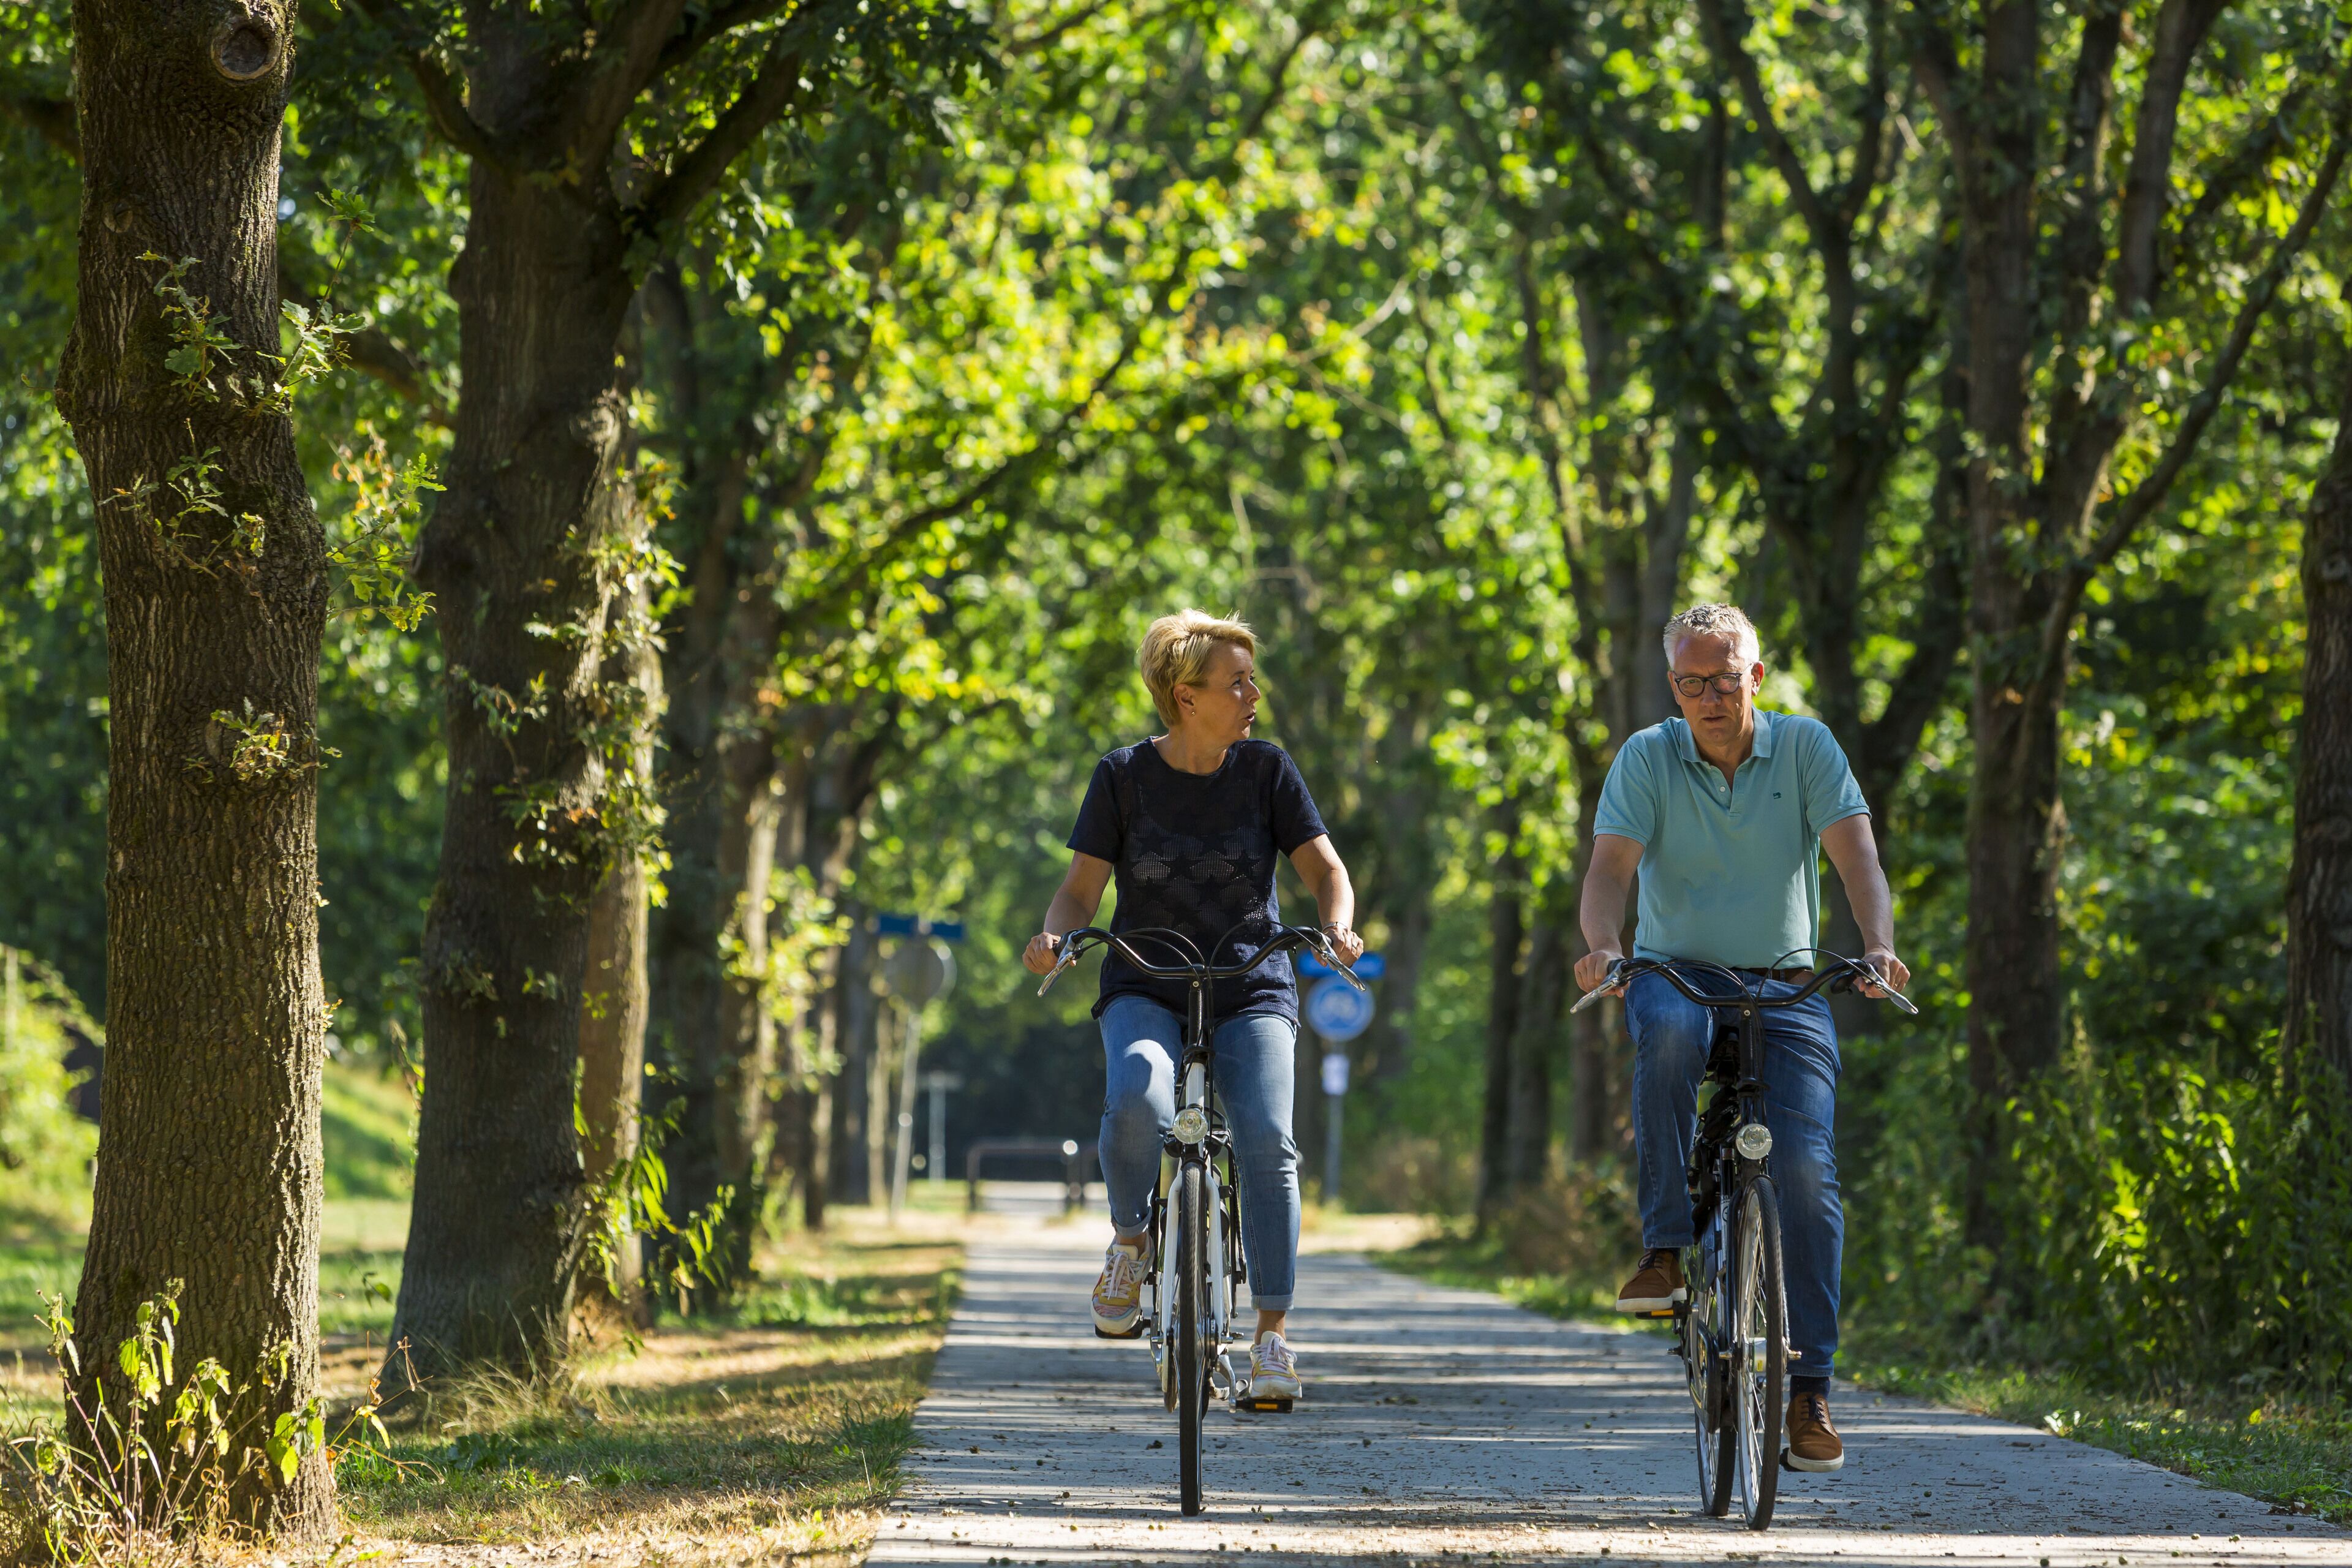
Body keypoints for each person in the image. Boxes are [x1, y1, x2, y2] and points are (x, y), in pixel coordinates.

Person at [1572, 602, 1910, 1476]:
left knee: (1804, 1168)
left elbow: (1856, 859)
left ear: (1755, 677)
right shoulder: (1649, 756)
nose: (1711, 698)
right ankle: (1666, 1250)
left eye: (1727, 680)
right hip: (1677, 971)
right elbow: (1610, 870)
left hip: (1786, 981)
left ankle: (1811, 1393)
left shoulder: (1805, 749)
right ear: (1673, 687)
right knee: (1672, 1035)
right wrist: (1606, 951)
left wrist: (1877, 945)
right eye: (1693, 683)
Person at [1023, 609, 1363, 1405]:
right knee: (1138, 1095)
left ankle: (1272, 1338)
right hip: (1146, 979)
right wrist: (1055, 938)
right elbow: (1080, 892)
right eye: (1237, 682)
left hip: (1252, 981)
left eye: (1252, 678)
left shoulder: (1268, 772)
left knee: (1269, 1141)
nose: (1253, 695)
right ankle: (1132, 1241)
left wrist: (1337, 925)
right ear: (1185, 695)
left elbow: (1326, 871)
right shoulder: (1122, 777)